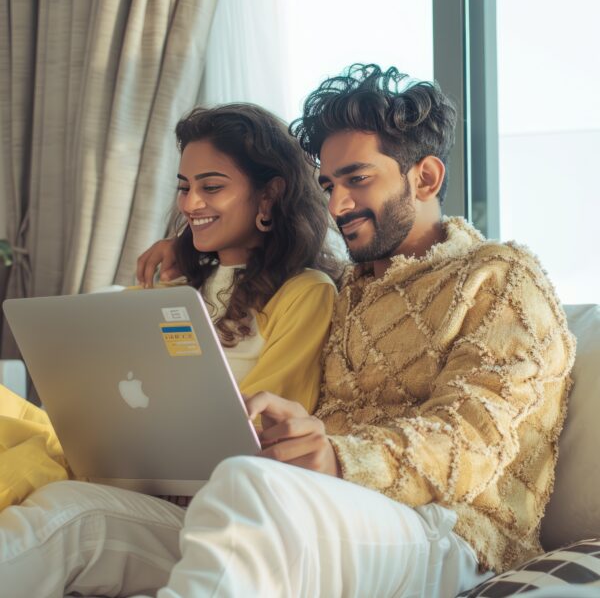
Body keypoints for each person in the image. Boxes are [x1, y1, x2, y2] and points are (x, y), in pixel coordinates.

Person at [0, 65, 575, 598]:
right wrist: (192, 251)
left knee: (248, 484)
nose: (338, 203)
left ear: (424, 177)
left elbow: (474, 441)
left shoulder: (499, 275)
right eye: (328, 185)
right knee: (74, 513)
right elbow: (271, 266)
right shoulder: (350, 286)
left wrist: (337, 458)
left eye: (357, 178)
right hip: (316, 510)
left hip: (452, 531)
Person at [0, 103, 339, 510]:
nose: (190, 204)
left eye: (211, 187)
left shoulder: (305, 292)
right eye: (184, 187)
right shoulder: (175, 283)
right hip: (111, 455)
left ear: (270, 195)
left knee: (32, 464)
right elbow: (103, 369)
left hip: (181, 475)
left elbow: (262, 423)